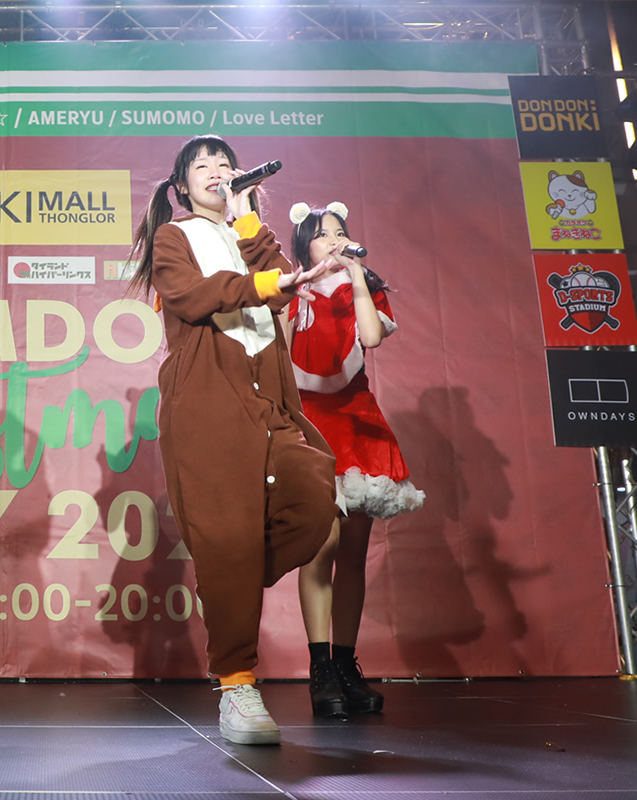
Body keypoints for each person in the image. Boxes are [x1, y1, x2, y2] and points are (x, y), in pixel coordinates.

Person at [127, 135, 341, 746]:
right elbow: (194, 297)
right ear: (181, 186)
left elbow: (283, 279)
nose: (218, 172)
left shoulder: (247, 231)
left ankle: (229, 578)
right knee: (227, 541)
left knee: (314, 500)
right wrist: (264, 285)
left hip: (267, 397)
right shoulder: (174, 237)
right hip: (207, 400)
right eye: (203, 166)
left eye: (226, 164)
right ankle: (237, 684)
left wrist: (246, 216)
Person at [283, 202, 425, 717]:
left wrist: (357, 275)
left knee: (354, 553)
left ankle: (345, 665)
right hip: (310, 425)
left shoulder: (363, 288)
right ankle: (320, 668)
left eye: (340, 232)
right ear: (304, 246)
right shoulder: (290, 292)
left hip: (357, 423)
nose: (334, 240)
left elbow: (369, 336)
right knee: (321, 546)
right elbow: (277, 358)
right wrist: (294, 292)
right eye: (322, 234)